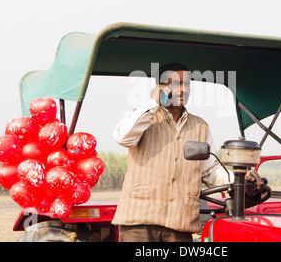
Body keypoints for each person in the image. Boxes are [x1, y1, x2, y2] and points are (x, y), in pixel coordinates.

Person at [112, 63, 261, 242]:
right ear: (161, 88)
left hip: (180, 223)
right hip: (140, 223)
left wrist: (240, 177)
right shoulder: (143, 117)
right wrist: (153, 102)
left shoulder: (200, 126)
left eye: (187, 84)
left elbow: (211, 171)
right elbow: (123, 137)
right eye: (176, 83)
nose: (184, 89)